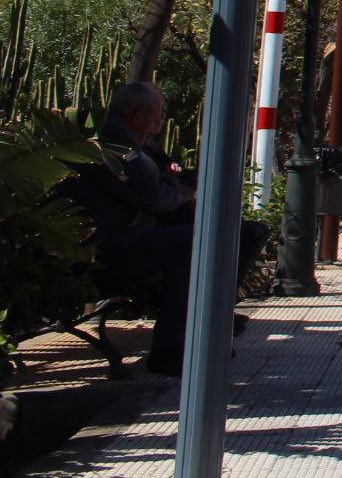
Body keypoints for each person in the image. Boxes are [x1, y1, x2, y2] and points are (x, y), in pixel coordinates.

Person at [64, 82, 267, 377]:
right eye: (158, 116)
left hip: (134, 232)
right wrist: (181, 194)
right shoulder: (113, 144)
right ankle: (172, 351)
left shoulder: (134, 142)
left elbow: (165, 183)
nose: (160, 124)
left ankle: (211, 317)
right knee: (199, 243)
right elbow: (154, 196)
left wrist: (176, 188)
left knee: (242, 233)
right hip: (104, 245)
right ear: (137, 115)